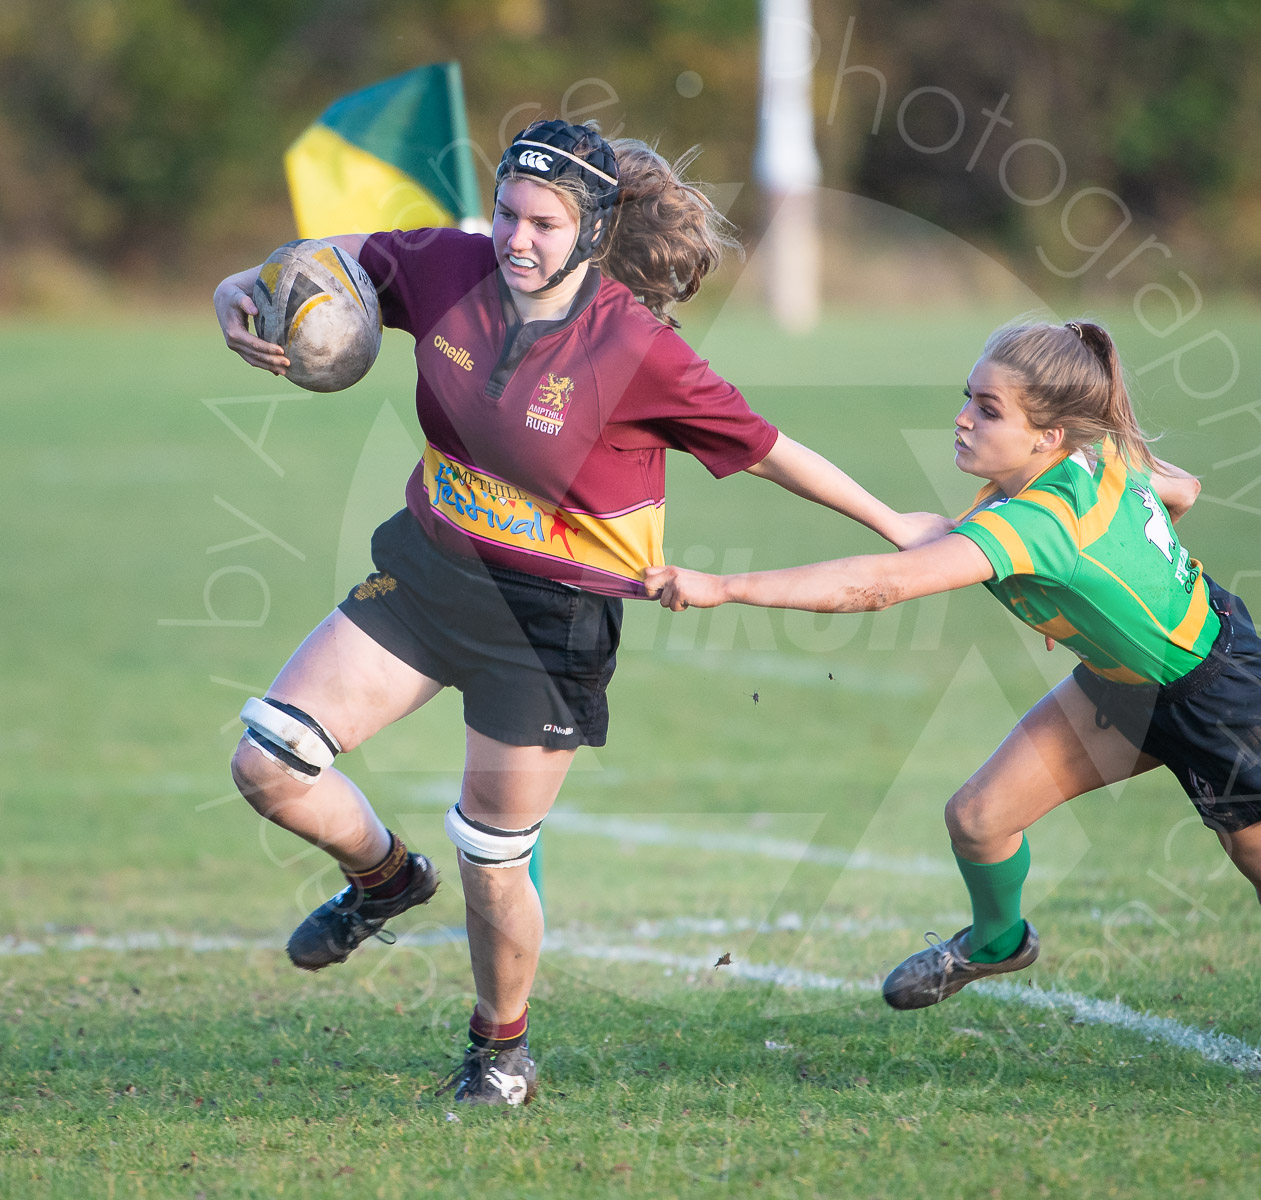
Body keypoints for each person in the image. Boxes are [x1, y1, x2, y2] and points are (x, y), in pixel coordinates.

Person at [213, 120, 949, 1107]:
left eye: (544, 225)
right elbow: (317, 265)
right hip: (432, 575)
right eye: (508, 214)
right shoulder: (447, 264)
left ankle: (500, 1050)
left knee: (491, 857)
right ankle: (386, 880)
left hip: (549, 628)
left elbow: (769, 448)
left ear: (593, 231)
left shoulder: (637, 351)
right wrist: (240, 293)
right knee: (269, 759)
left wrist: (892, 518)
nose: (516, 239)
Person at [644, 318, 1261, 1084]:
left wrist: (722, 585)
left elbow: (880, 586)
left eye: (988, 411)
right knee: (979, 819)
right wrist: (1105, 597)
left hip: (1220, 695)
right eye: (968, 397)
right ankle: (997, 943)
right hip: (1123, 689)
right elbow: (1181, 490)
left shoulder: (1040, 522)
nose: (961, 420)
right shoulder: (1081, 463)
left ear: (1049, 437)